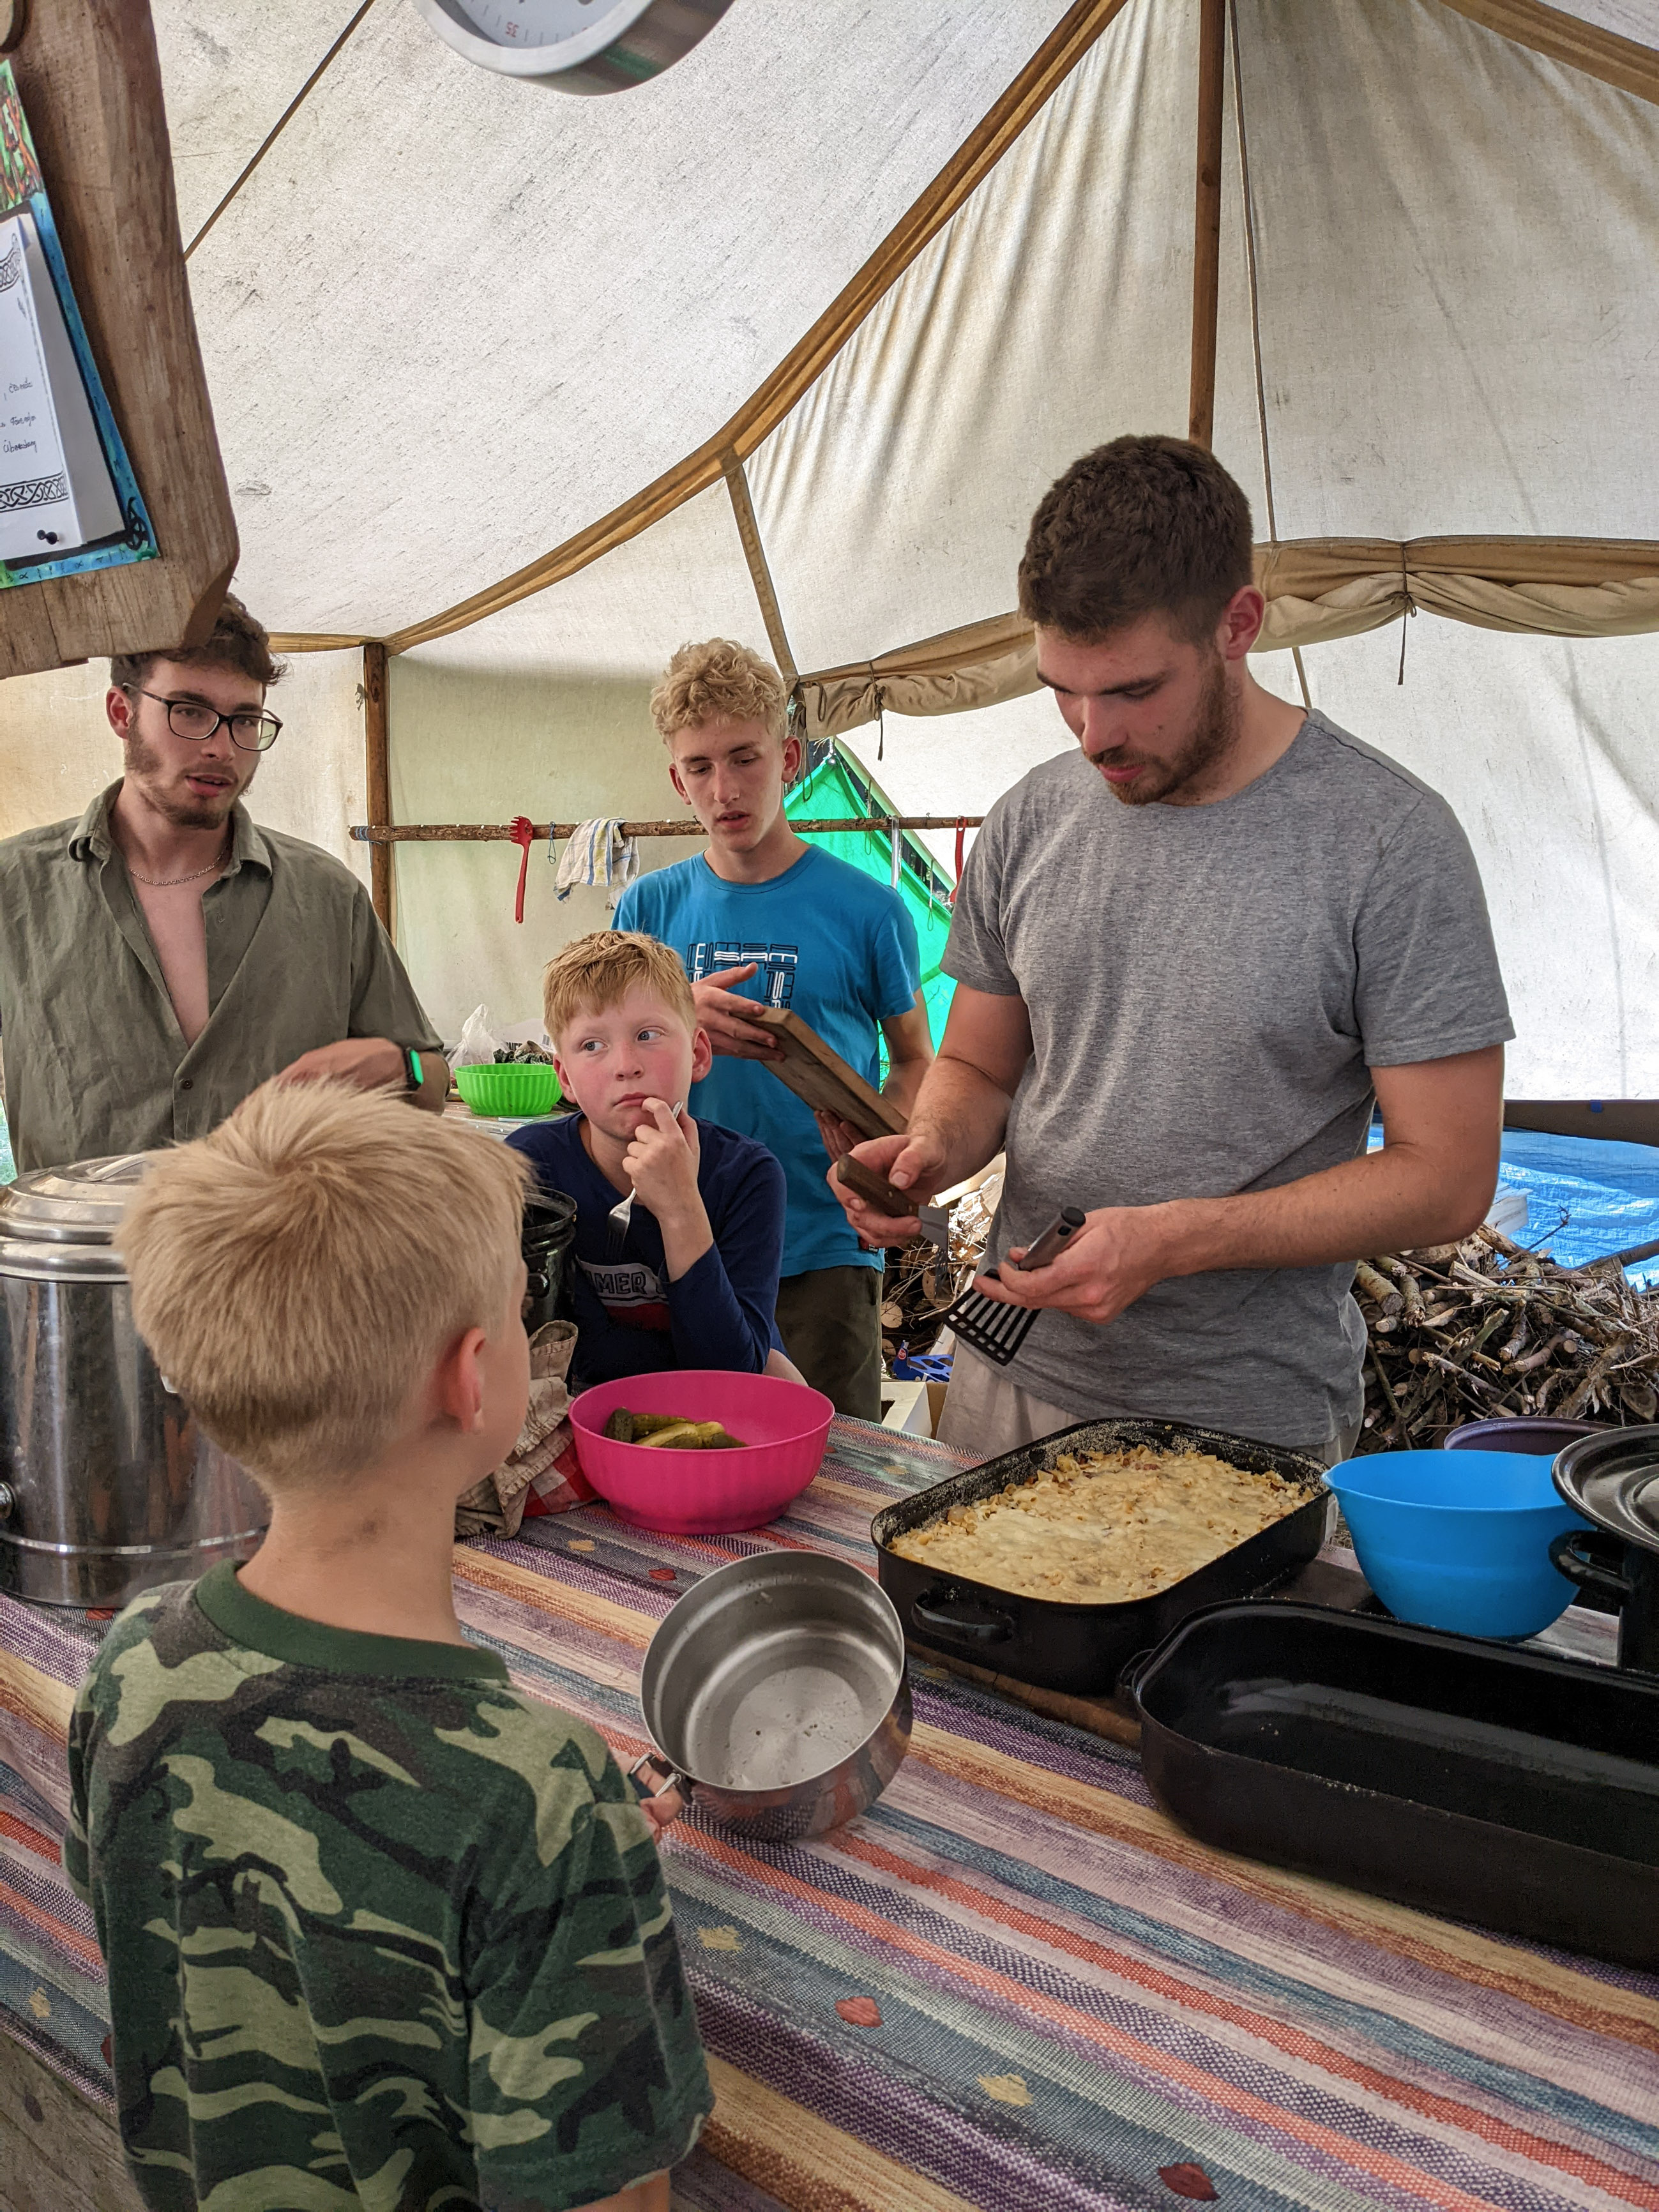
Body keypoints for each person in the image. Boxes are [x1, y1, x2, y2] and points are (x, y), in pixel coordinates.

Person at [64, 1079, 709, 2212]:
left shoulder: (130, 1663)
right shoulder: (539, 1801)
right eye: (520, 1307)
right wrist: (567, 1841)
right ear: (471, 1375)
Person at [833, 436, 1513, 1464]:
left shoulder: (1388, 843)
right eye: (1061, 688)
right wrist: (932, 1146)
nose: (1090, 734)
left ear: (1238, 624)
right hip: (1007, 1376)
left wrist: (1173, 1240)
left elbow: (1448, 1176)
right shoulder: (1030, 820)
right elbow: (977, 1065)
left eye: (1132, 690)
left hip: (1239, 1418)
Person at [0, 593, 446, 1172]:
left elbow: (432, 1082)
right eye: (189, 711)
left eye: (245, 720)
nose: (221, 747)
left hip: (284, 1229)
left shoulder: (328, 896)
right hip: (83, 1234)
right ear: (121, 713)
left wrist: (398, 1067)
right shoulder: (15, 889)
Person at [614, 640, 934, 1419]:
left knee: (831, 1463)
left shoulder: (870, 909)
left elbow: (916, 1060)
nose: (723, 788)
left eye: (744, 757)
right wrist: (672, 1018)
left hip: (821, 1242)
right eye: (699, 766)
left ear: (788, 758)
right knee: (683, 1454)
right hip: (680, 1237)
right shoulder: (646, 910)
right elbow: (603, 1060)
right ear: (677, 779)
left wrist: (878, 1161)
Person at [508, 931, 789, 1389]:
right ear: (565, 1078)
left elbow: (731, 1376)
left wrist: (681, 1209)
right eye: (592, 1045)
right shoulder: (529, 1167)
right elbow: (564, 1347)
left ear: (698, 1054)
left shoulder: (749, 1176)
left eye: (647, 1035)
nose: (625, 1065)